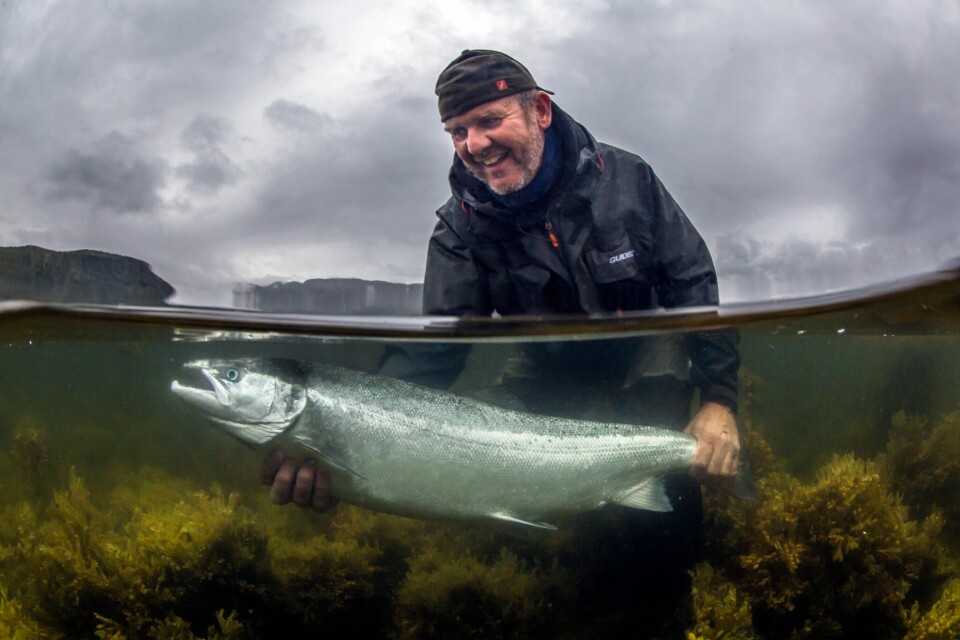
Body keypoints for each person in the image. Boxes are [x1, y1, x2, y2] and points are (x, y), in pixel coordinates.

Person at [261, 49, 741, 635]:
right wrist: (349, 438)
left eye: (490, 121)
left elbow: (693, 282)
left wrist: (719, 398)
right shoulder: (459, 229)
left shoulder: (628, 180)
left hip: (645, 357)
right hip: (542, 367)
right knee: (535, 515)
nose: (475, 144)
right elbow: (432, 353)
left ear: (540, 110)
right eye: (457, 131)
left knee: (664, 525)